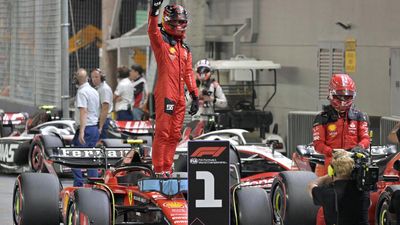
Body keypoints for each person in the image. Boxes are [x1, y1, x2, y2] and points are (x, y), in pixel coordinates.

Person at [148, 0, 199, 177]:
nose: (179, 25)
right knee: (162, 132)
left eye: (181, 21)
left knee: (175, 134)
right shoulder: (161, 44)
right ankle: (158, 168)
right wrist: (154, 11)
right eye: (175, 21)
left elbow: (188, 72)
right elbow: (153, 31)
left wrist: (195, 94)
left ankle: (167, 168)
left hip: (180, 97)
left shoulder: (184, 48)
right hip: (165, 93)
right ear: (168, 20)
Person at [312, 73, 370, 175]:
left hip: (354, 162)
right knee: (325, 188)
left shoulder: (359, 116)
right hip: (331, 163)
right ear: (331, 94)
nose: (343, 100)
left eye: (347, 96)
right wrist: (333, 152)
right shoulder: (322, 118)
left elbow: (366, 138)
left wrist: (359, 147)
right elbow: (318, 144)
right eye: (340, 96)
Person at [307, 149, 370, 225]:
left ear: (331, 171)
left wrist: (328, 177)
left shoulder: (327, 193)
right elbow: (369, 204)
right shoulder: (363, 191)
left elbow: (311, 186)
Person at [72, 68, 100, 187]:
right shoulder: (94, 91)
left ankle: (79, 183)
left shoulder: (82, 92)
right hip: (94, 127)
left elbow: (83, 111)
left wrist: (82, 131)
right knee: (91, 157)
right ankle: (94, 182)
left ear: (77, 79)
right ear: (87, 77)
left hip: (86, 128)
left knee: (75, 156)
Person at [91, 68, 113, 139]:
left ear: (102, 77)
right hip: (99, 120)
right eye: (92, 77)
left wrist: (100, 126)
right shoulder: (98, 88)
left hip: (103, 121)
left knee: (103, 143)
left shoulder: (104, 89)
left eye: (96, 77)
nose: (94, 79)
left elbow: (105, 108)